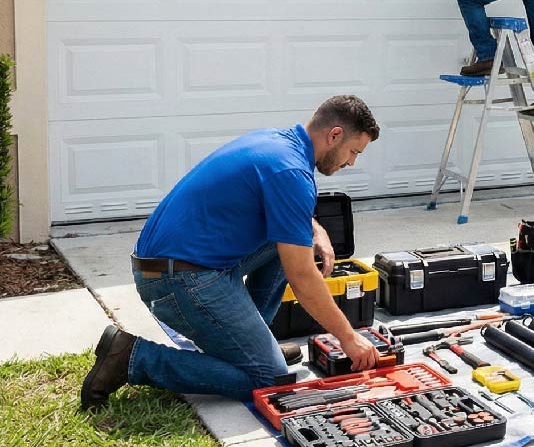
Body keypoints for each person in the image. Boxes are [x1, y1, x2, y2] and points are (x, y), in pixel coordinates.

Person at [79, 96, 383, 410]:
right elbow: (302, 277)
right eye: (353, 152)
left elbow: (283, 204)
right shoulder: (291, 173)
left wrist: (314, 228)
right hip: (174, 280)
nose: (351, 163)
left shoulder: (278, 144)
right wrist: (348, 337)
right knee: (268, 379)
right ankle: (132, 357)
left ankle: (250, 342)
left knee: (294, 238)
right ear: (334, 135)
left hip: (172, 266)